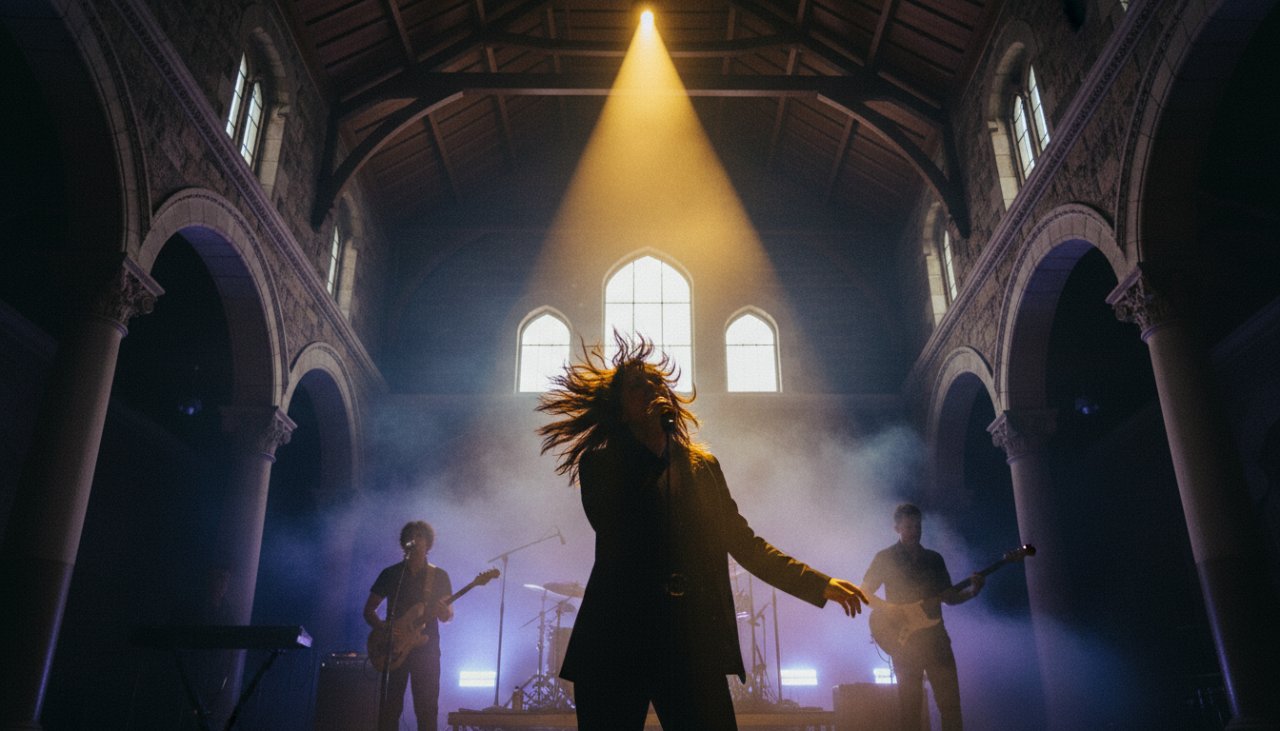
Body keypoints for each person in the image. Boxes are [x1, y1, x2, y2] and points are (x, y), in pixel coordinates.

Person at [537, 334, 868, 731]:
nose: (652, 389)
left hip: (688, 638)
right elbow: (621, 526)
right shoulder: (602, 464)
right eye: (638, 386)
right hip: (616, 639)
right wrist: (658, 449)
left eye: (657, 383)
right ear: (621, 410)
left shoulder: (703, 467)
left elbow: (743, 542)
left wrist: (817, 583)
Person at [861, 503, 984, 731]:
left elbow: (949, 597)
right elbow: (864, 592)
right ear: (897, 527)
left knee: (951, 708)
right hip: (905, 644)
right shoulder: (885, 558)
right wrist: (889, 609)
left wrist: (972, 592)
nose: (915, 530)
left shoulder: (934, 559)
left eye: (918, 525)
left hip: (937, 640)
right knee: (910, 711)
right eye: (909, 526)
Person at [364, 521, 454, 731]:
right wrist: (383, 627)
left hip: (427, 650)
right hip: (393, 648)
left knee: (426, 709)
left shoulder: (439, 575)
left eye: (420, 536)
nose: (414, 540)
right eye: (410, 536)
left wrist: (444, 612)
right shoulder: (391, 573)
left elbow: (448, 616)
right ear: (404, 544)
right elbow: (369, 610)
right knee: (389, 709)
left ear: (428, 543)